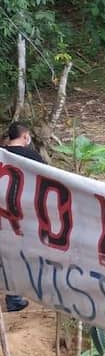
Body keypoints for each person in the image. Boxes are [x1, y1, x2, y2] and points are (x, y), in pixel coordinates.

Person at [2, 122, 42, 311]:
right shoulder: (33, 157)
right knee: (17, 254)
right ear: (25, 136)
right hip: (21, 214)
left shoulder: (2, 154)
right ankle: (14, 298)